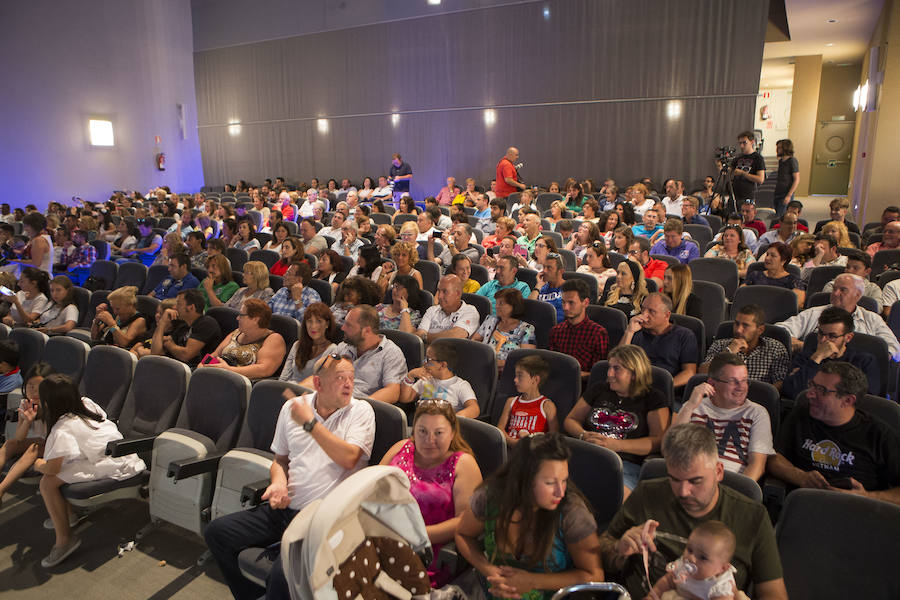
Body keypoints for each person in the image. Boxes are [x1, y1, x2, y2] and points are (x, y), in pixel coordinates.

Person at [205, 354, 375, 600]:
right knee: (217, 533)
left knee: (282, 576)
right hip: (285, 509)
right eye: (340, 378)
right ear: (318, 384)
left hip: (324, 520)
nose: (349, 384)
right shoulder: (292, 408)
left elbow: (349, 458)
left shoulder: (360, 411)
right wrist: (278, 483)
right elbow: (280, 461)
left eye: (351, 377)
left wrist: (310, 425)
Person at [599, 424, 786, 599]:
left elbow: (773, 593)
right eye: (674, 479)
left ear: (719, 471)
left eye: (695, 481)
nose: (683, 492)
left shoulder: (752, 516)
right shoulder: (647, 493)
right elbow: (602, 555)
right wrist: (620, 549)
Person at [455, 432, 605, 599]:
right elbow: (463, 534)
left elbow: (594, 576)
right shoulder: (490, 496)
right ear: (523, 480)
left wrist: (533, 581)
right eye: (550, 482)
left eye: (564, 480)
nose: (560, 491)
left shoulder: (572, 512)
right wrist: (489, 570)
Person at [35, 374, 146, 567]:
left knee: (47, 481)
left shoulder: (62, 427)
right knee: (57, 473)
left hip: (113, 465)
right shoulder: (87, 403)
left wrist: (37, 464)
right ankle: (66, 516)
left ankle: (65, 541)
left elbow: (52, 467)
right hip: (120, 456)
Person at [380, 401, 483, 587]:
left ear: (452, 433)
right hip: (383, 538)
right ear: (413, 431)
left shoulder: (463, 464)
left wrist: (415, 535)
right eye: (422, 431)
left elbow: (465, 521)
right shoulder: (402, 447)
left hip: (427, 553)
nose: (429, 440)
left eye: (439, 433)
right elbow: (370, 486)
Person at [767, 361, 900, 506]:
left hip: (858, 512)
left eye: (821, 390)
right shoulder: (801, 415)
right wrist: (800, 477)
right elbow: (774, 458)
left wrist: (867, 496)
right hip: (803, 507)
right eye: (812, 385)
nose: (810, 394)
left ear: (848, 400)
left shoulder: (879, 435)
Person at [564, 344, 669, 492]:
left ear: (634, 373)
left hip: (623, 464)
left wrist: (617, 445)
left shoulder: (653, 398)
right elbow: (571, 420)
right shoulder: (599, 389)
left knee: (603, 492)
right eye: (609, 367)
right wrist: (583, 434)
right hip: (587, 455)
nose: (609, 374)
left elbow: (658, 441)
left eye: (617, 369)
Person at [674, 353, 774, 481]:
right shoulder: (694, 406)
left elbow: (757, 466)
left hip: (729, 484)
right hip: (688, 478)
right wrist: (689, 407)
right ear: (712, 383)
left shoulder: (757, 413)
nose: (741, 387)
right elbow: (670, 449)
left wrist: (737, 495)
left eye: (744, 380)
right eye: (733, 381)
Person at [302, 305, 407, 404]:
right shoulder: (344, 347)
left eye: (348, 325)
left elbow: (393, 392)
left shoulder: (390, 353)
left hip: (361, 409)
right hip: (333, 402)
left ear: (367, 330)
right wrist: (299, 392)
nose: (342, 328)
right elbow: (321, 375)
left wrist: (356, 407)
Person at [777, 273, 900, 357]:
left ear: (857, 295)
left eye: (842, 290)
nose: (835, 293)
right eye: (834, 289)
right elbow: (780, 332)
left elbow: (894, 350)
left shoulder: (872, 319)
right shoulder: (814, 313)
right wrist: (806, 346)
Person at [782, 306, 881, 399]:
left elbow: (867, 400)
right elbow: (791, 392)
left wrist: (815, 386)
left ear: (848, 337)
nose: (823, 340)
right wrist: (817, 358)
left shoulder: (864, 361)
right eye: (821, 333)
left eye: (832, 336)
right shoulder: (807, 357)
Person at [700, 304, 789, 390]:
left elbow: (780, 383)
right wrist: (728, 352)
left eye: (745, 326)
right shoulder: (721, 345)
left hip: (758, 401)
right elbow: (702, 373)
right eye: (737, 324)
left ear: (760, 330)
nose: (738, 330)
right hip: (722, 398)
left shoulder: (775, 348)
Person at [0, 363, 53, 504]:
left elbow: (55, 438)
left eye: (39, 387)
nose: (34, 392)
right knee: (10, 443)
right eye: (31, 386)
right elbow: (18, 438)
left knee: (34, 448)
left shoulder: (54, 404)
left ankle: (1, 489)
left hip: (55, 445)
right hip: (43, 440)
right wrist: (27, 421)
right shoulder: (26, 403)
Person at [619, 293, 698, 387]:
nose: (644, 314)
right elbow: (618, 361)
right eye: (643, 309)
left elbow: (689, 372)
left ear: (667, 315)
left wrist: (666, 387)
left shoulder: (684, 335)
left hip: (667, 390)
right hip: (634, 386)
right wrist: (629, 332)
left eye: (651, 311)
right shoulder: (636, 330)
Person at [647, 520, 738, 600]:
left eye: (703, 557)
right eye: (690, 550)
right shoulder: (682, 565)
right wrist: (652, 596)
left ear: (723, 568)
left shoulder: (719, 586)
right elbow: (667, 581)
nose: (691, 558)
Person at [201, 298, 286, 380]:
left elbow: (264, 370)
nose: (237, 318)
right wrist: (201, 366)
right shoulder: (237, 332)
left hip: (242, 386)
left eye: (241, 315)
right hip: (219, 377)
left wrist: (228, 370)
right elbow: (215, 354)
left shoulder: (273, 339)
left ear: (255, 319)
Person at [398, 339, 479, 417]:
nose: (424, 363)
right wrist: (410, 376)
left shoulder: (460, 385)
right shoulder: (426, 379)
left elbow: (474, 409)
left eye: (428, 359)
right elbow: (405, 398)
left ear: (443, 365)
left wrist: (454, 418)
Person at [549, 279, 609, 379]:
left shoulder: (598, 334)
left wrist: (576, 375)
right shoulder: (556, 331)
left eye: (571, 303)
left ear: (585, 303)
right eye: (563, 302)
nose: (565, 307)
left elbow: (600, 373)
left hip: (585, 387)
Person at [149, 289, 222, 367]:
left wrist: (169, 345)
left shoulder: (206, 323)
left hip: (194, 371)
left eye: (179, 304)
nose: (174, 307)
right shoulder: (182, 325)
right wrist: (162, 323)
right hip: (174, 367)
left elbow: (186, 355)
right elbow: (155, 353)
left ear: (191, 308)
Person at [497, 355, 558, 444]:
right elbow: (500, 429)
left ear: (535, 380)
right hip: (510, 448)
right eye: (515, 376)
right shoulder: (511, 401)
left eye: (520, 376)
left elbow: (553, 437)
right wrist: (513, 442)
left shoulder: (547, 405)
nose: (515, 380)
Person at [472, 287, 537, 370]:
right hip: (483, 367)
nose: (496, 306)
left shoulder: (526, 329)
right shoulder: (490, 320)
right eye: (496, 303)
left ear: (513, 305)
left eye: (501, 303)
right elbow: (474, 341)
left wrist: (498, 363)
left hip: (509, 372)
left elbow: (526, 359)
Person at [278, 302, 339, 383]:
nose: (313, 326)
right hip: (289, 390)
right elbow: (283, 378)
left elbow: (324, 384)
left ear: (327, 324)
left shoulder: (333, 350)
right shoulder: (297, 345)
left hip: (310, 394)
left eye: (319, 321)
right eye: (310, 321)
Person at [417, 274, 481, 343]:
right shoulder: (432, 310)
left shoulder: (470, 312)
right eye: (438, 291)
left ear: (458, 294)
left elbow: (455, 336)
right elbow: (419, 336)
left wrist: (426, 337)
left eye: (445, 292)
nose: (439, 296)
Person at [742, 242, 805, 306]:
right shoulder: (754, 275)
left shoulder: (793, 280)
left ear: (783, 260)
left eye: (773, 256)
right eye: (767, 254)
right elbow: (741, 295)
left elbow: (797, 304)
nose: (767, 258)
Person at [729, 131, 766, 204]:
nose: (742, 146)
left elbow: (760, 179)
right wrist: (720, 166)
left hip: (748, 195)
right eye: (740, 143)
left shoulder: (758, 158)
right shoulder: (737, 157)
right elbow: (728, 173)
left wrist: (743, 173)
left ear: (752, 142)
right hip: (735, 194)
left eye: (744, 143)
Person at [529, 252, 565, 322]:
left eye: (549, 268)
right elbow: (528, 308)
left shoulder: (569, 289)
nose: (544, 271)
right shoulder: (540, 288)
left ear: (561, 271)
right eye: (544, 267)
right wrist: (538, 286)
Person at [773, 139, 800, 217]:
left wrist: (789, 195)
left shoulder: (792, 161)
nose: (777, 150)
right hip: (778, 192)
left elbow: (796, 179)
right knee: (777, 214)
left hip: (786, 193)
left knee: (781, 216)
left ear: (785, 148)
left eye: (779, 148)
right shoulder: (781, 161)